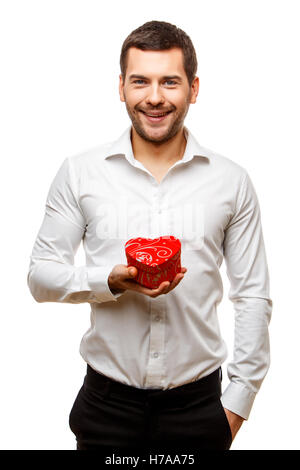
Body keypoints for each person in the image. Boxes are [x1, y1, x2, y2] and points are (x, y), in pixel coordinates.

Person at [27, 20, 272, 452]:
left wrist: (236, 405)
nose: (155, 97)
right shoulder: (80, 172)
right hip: (106, 408)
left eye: (170, 82)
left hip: (198, 408)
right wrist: (108, 282)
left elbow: (252, 295)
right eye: (140, 81)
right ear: (121, 87)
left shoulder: (231, 182)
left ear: (194, 88)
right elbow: (41, 277)